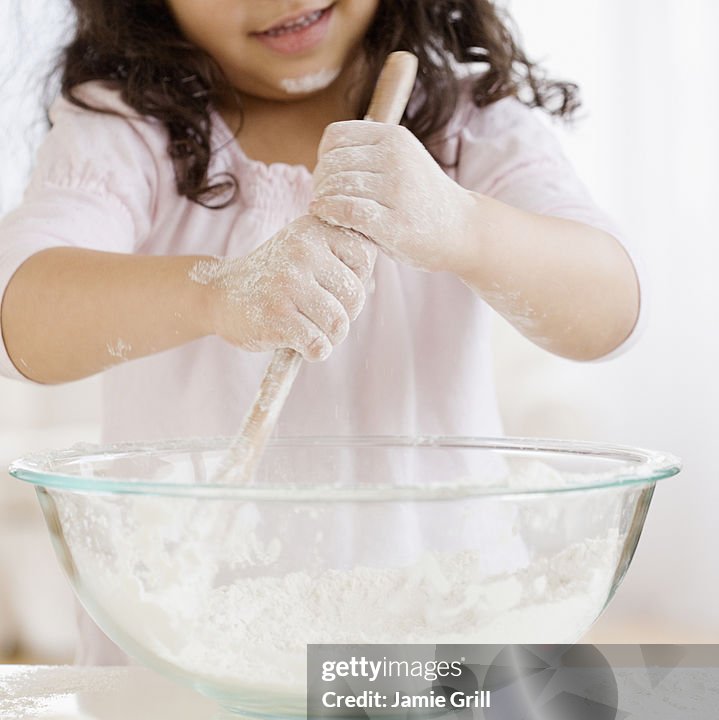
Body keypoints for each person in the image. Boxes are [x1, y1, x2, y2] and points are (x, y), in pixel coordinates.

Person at [0, 0, 643, 664]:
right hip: (186, 646)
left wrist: (461, 226)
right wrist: (216, 292)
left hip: (439, 631)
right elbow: (19, 317)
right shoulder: (128, 129)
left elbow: (611, 312)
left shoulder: (463, 123)